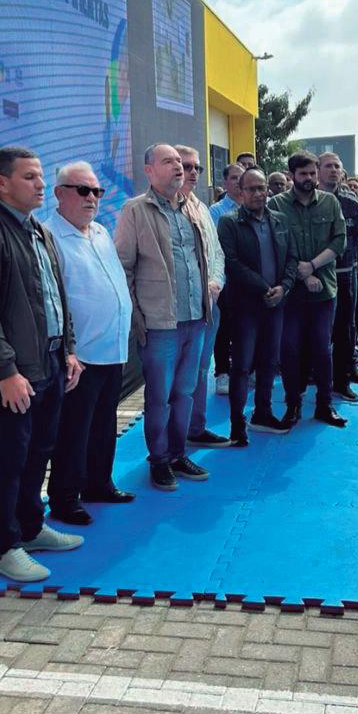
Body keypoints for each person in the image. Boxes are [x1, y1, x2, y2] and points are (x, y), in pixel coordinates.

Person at [0, 146, 84, 582]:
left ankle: (30, 528)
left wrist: (68, 350)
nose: (41, 184)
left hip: (51, 362)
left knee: (39, 452)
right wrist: (6, 372)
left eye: (42, 176)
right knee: (10, 459)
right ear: (1, 183)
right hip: (18, 372)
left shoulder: (38, 231)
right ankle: (3, 546)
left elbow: (57, 297)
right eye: (30, 177)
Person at [114, 143, 212, 490]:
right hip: (159, 325)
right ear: (149, 171)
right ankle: (158, 460)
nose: (178, 167)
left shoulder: (191, 210)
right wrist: (138, 318)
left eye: (179, 162)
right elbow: (123, 267)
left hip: (195, 319)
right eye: (168, 161)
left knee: (185, 392)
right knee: (159, 397)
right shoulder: (135, 210)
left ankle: (177, 453)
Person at [46, 162, 135, 525]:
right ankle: (65, 499)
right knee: (73, 432)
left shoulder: (99, 231)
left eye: (97, 191)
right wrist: (68, 351)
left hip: (112, 349)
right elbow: (53, 299)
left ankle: (99, 483)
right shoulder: (50, 237)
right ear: (59, 193)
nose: (92, 198)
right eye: (83, 190)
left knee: (103, 424)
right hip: (79, 355)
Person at [218, 167, 298, 445]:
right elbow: (232, 263)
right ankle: (237, 424)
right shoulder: (229, 222)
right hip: (245, 307)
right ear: (241, 192)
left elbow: (292, 258)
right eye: (251, 188)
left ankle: (263, 413)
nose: (257, 193)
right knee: (241, 365)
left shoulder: (280, 220)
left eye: (261, 188)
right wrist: (265, 288)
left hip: (276, 304)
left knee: (269, 362)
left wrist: (284, 287)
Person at [268, 151, 347, 428]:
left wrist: (312, 266)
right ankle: (293, 404)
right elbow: (275, 247)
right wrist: (301, 274)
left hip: (323, 290)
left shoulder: (330, 202)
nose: (309, 178)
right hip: (290, 292)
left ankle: (324, 405)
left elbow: (339, 242)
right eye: (303, 174)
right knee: (289, 349)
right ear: (292, 175)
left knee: (322, 349)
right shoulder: (276, 204)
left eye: (313, 173)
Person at [175, 145, 230, 449]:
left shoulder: (202, 209)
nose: (193, 172)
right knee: (176, 378)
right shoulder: (154, 210)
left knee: (200, 370)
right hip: (176, 313)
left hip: (208, 306)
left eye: (197, 167)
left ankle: (195, 427)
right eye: (186, 166)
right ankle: (172, 443)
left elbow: (216, 252)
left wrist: (216, 281)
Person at [317, 152, 358, 403]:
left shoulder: (351, 201)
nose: (334, 170)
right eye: (328, 166)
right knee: (318, 331)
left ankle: (342, 379)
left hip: (347, 273)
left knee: (346, 328)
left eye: (337, 166)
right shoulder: (309, 199)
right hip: (318, 275)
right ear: (318, 170)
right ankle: (315, 378)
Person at [209, 163, 244, 395]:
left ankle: (245, 370)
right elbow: (215, 247)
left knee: (246, 328)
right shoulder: (216, 211)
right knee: (223, 329)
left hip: (249, 282)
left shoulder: (255, 206)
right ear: (224, 183)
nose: (238, 182)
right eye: (233, 178)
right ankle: (222, 373)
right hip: (226, 281)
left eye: (242, 177)